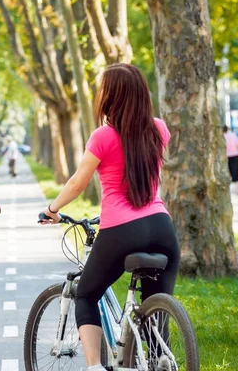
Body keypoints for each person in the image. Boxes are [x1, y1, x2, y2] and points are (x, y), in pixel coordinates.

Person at [39, 63, 180, 371]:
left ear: (111, 96)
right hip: (162, 228)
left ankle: (93, 367)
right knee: (155, 310)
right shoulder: (160, 129)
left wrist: (52, 210)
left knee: (87, 295)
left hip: (122, 231)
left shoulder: (103, 135)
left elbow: (78, 182)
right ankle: (159, 360)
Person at [223, 125, 238, 195]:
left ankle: (227, 191)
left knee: (227, 172)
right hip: (235, 156)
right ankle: (237, 190)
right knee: (235, 172)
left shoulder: (222, 137)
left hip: (225, 157)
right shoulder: (233, 136)